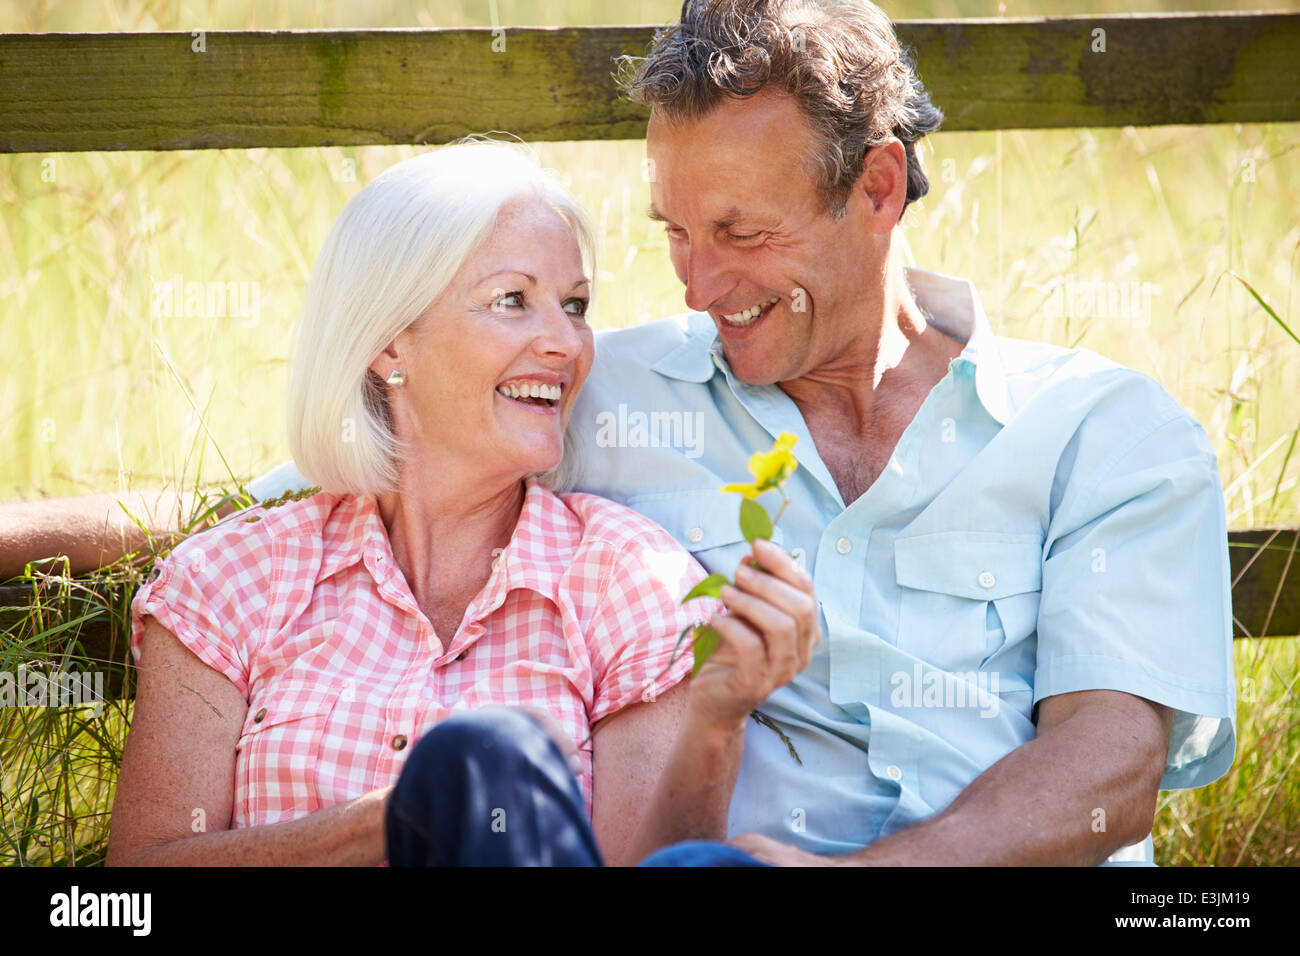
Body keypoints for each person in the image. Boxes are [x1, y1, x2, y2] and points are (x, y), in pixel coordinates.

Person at [4, 0, 1234, 866]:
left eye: (741, 233)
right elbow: (318, 483)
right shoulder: (602, 389)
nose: (698, 286)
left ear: (874, 189)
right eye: (672, 233)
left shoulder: (1100, 432)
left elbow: (1110, 762)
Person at [102, 140, 820, 867]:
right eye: (513, 300)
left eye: (574, 306)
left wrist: (715, 724)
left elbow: (649, 864)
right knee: (484, 762)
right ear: (389, 344)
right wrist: (391, 822)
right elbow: (137, 880)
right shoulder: (233, 581)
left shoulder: (628, 580)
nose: (565, 342)